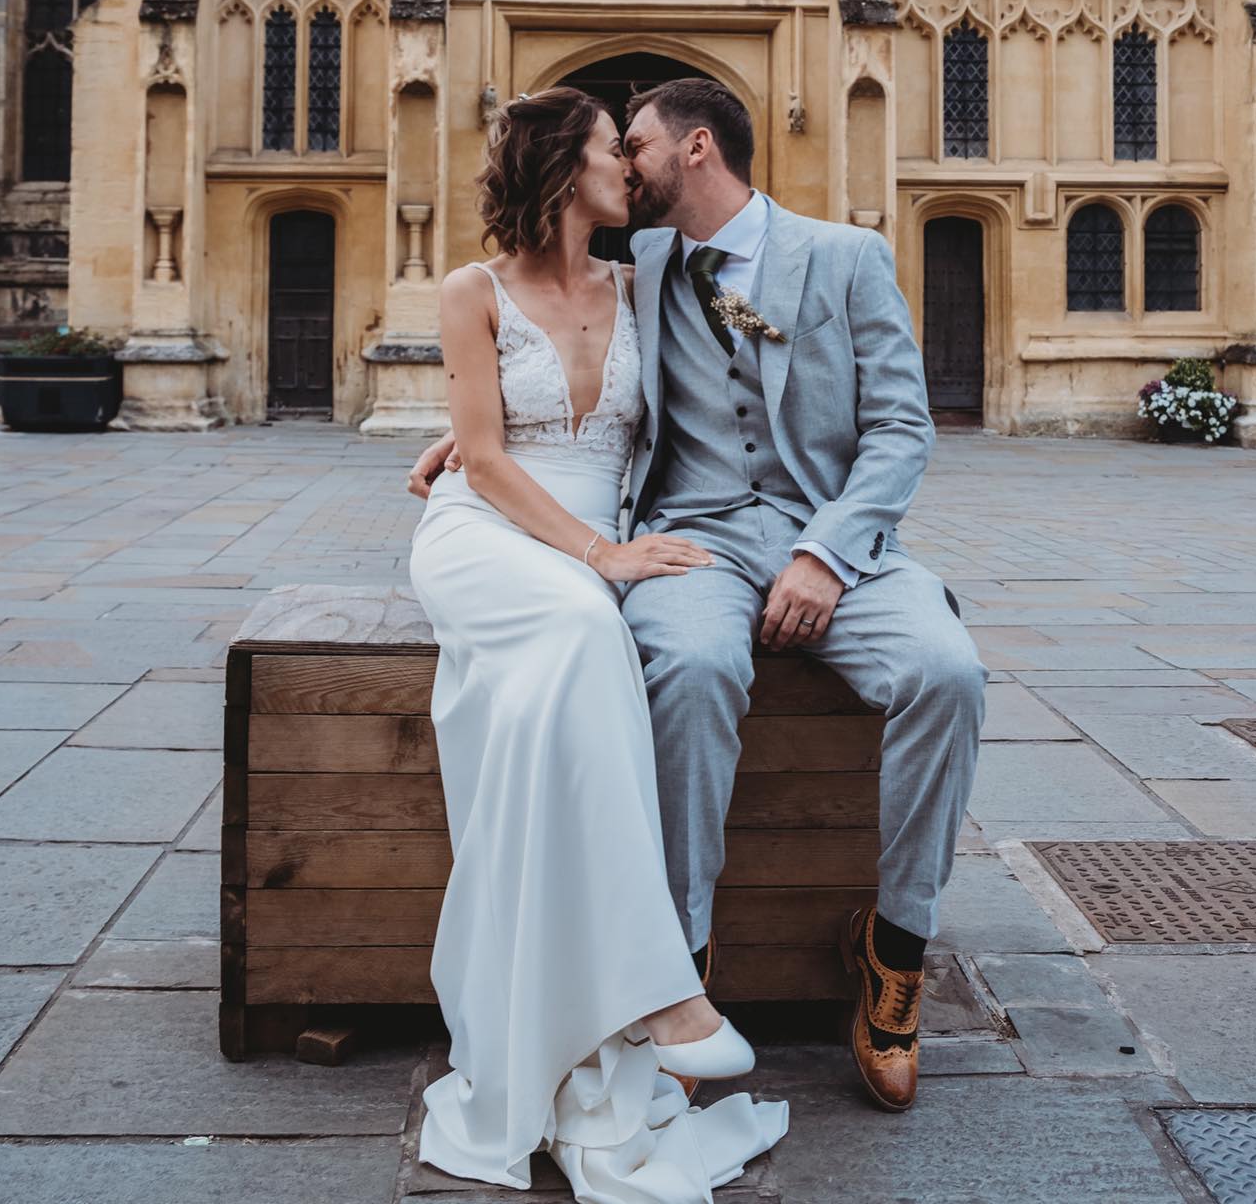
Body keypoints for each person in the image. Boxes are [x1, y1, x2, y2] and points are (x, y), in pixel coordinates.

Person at [412, 76, 989, 1116]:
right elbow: (552, 354)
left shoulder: (848, 259)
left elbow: (904, 429)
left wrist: (826, 553)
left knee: (948, 673)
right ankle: (676, 965)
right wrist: (470, 434)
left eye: (635, 146)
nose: (623, 166)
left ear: (696, 150)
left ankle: (895, 953)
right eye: (611, 150)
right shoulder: (645, 264)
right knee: (687, 666)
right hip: (697, 537)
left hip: (838, 543)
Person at [406, 87, 788, 1200]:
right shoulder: (467, 290)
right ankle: (659, 989)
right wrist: (597, 552)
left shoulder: (646, 280)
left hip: (579, 528)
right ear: (561, 168)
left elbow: (725, 391)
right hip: (487, 537)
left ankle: (579, 990)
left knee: (554, 697)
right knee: (587, 618)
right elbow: (485, 457)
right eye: (610, 150)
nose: (633, 165)